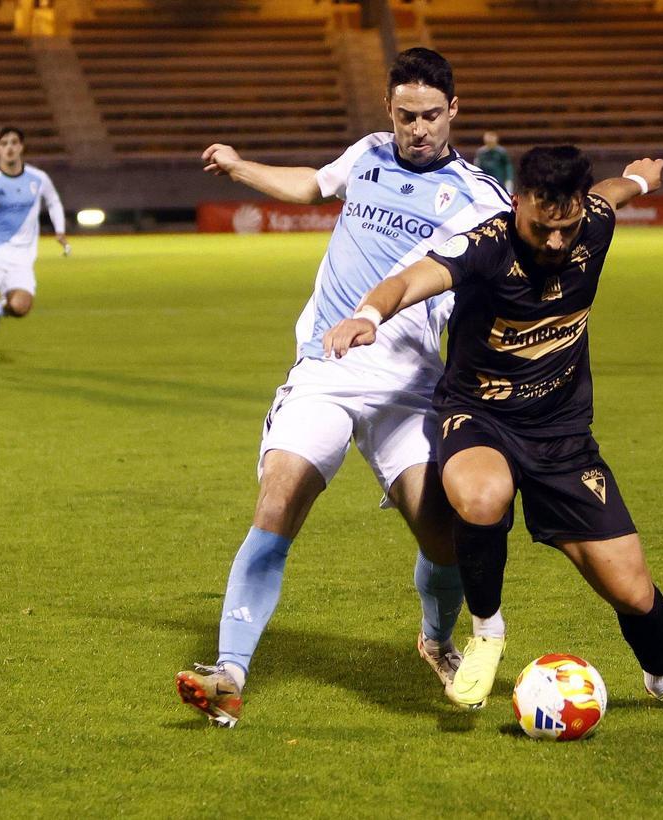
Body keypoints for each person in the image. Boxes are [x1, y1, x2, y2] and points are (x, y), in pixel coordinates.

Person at [323, 146, 663, 714]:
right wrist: (368, 316)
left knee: (633, 590)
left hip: (563, 435)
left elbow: (609, 195)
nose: (557, 241)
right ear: (517, 202)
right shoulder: (485, 245)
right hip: (480, 416)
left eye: (567, 227)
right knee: (481, 495)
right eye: (543, 227)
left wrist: (639, 181)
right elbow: (410, 279)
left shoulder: (593, 221)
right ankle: (487, 633)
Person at [175, 47, 514, 728]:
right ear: (388, 110)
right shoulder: (367, 154)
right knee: (279, 497)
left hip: (409, 387)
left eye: (431, 115)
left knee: (441, 535)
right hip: (325, 371)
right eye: (405, 115)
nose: (418, 129)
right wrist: (241, 167)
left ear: (454, 110)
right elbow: (312, 185)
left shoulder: (483, 198)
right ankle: (230, 672)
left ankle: (436, 640)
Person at [0, 125, 68, 367]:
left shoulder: (38, 178)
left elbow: (53, 201)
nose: (9, 148)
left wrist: (59, 229)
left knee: (21, 306)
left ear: (21, 147)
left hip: (22, 258)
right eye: (4, 143)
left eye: (14, 142)